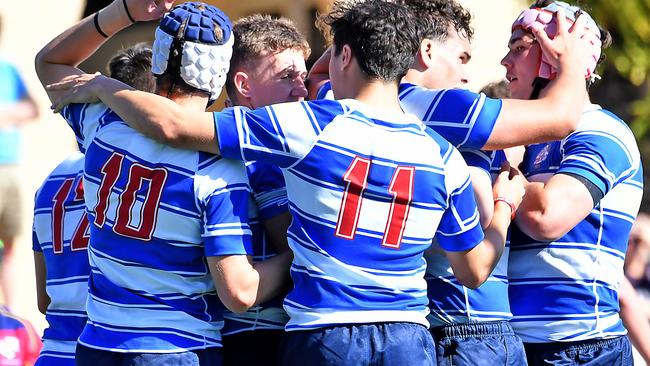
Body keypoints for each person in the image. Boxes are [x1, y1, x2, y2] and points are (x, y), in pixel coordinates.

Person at [45, 1, 526, 364]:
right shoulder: (441, 155)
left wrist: (108, 79)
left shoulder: (306, 126)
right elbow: (474, 270)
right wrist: (504, 206)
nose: (304, 82)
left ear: (343, 55)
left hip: (314, 334)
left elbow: (168, 124)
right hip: (404, 337)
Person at [35, 1, 291, 365]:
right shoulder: (218, 167)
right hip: (176, 349)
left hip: (96, 345)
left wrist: (123, 12)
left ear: (157, 62)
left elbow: (48, 63)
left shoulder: (102, 127)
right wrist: (296, 256)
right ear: (220, 76)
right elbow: (239, 292)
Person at [502, 1, 643, 365]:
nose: (505, 62)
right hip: (517, 346)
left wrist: (507, 172)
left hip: (580, 350)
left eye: (519, 48)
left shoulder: (601, 130)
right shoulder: (528, 138)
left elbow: (547, 217)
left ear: (555, 57)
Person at [32, 44, 155, 366]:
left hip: (54, 352)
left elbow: (44, 299)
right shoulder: (149, 170)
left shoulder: (53, 178)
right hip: (112, 348)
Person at [220, 14, 309, 366]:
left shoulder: (216, 139)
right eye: (287, 77)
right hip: (259, 335)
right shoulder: (262, 154)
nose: (302, 90)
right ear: (244, 85)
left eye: (304, 76)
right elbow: (297, 246)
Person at [0, 14, 39, 310]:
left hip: (9, 169)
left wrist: (7, 113)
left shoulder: (8, 69)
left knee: (9, 242)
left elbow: (33, 108)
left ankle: (8, 315)